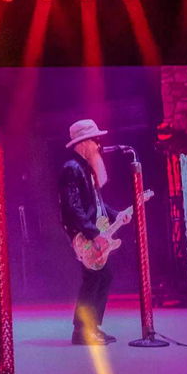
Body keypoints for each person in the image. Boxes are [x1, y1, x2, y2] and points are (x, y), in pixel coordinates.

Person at [58, 119, 119, 345]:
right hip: (83, 233)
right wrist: (93, 234)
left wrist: (118, 214)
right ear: (83, 143)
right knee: (93, 277)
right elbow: (72, 207)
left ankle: (91, 327)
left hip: (92, 230)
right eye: (95, 140)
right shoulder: (71, 168)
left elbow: (96, 205)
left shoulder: (86, 169)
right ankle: (81, 331)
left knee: (103, 276)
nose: (98, 145)